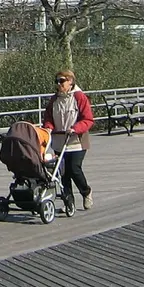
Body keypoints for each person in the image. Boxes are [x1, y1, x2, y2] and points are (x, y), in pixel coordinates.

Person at [42, 70, 93, 216]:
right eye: (57, 81)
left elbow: (88, 119)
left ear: (70, 81)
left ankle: (86, 191)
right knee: (63, 173)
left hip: (76, 141)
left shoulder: (79, 97)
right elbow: (48, 118)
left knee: (74, 168)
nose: (59, 84)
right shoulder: (54, 100)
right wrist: (48, 127)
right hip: (59, 141)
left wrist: (76, 128)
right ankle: (68, 201)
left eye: (62, 81)